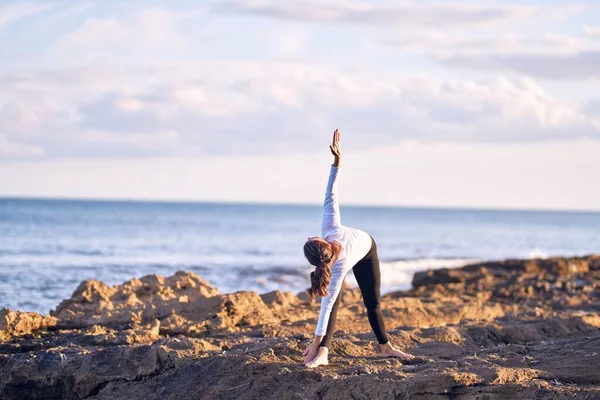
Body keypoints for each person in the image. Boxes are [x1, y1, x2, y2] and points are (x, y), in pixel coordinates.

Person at [302, 129, 421, 368]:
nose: (310, 234)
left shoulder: (331, 227)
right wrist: (338, 162)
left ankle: (386, 348)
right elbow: (330, 192)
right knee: (332, 300)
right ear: (321, 241)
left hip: (367, 251)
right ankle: (324, 352)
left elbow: (331, 192)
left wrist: (337, 162)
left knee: (372, 302)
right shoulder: (332, 247)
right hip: (357, 251)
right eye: (310, 238)